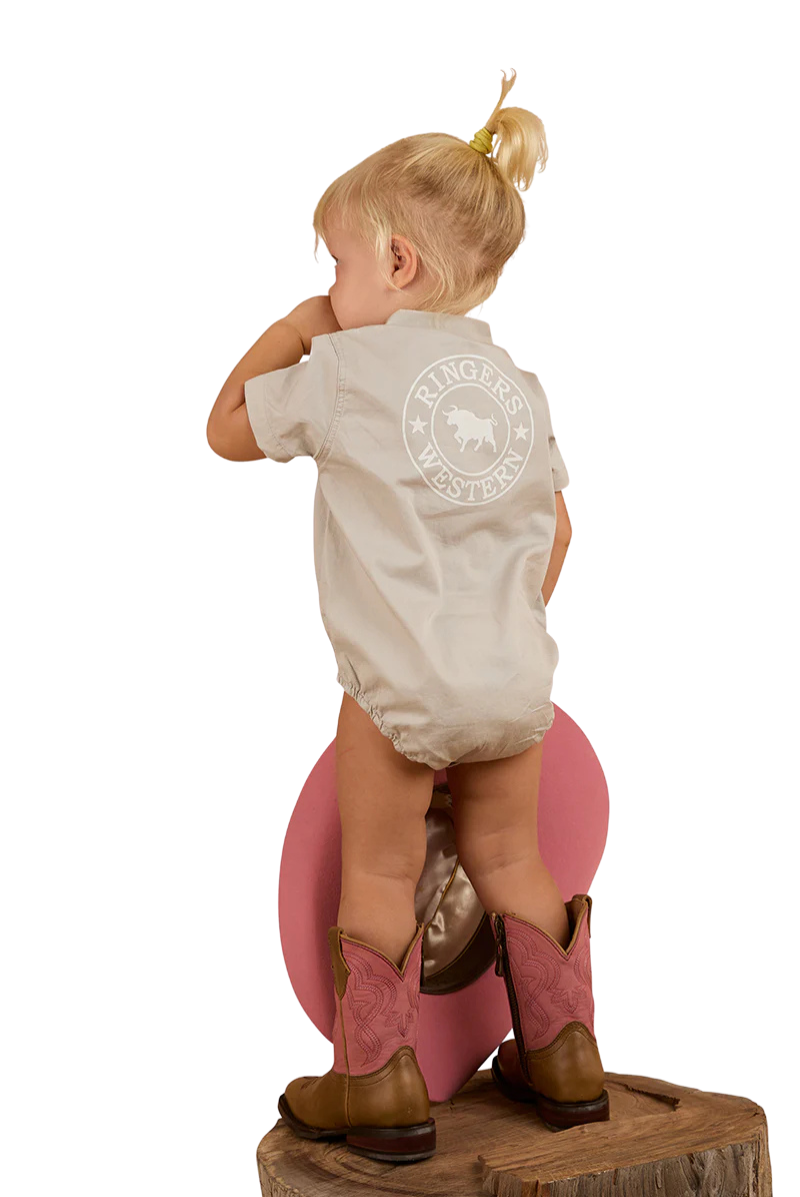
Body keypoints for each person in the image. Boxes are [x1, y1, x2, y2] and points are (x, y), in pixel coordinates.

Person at [207, 68, 607, 1164]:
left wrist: (295, 327)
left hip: (395, 687)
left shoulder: (339, 368)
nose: (327, 290)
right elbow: (559, 535)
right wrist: (495, 640)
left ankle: (376, 1082)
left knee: (381, 876)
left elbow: (226, 428)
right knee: (511, 860)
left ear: (394, 263)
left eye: (334, 267)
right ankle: (566, 1057)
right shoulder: (515, 386)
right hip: (512, 680)